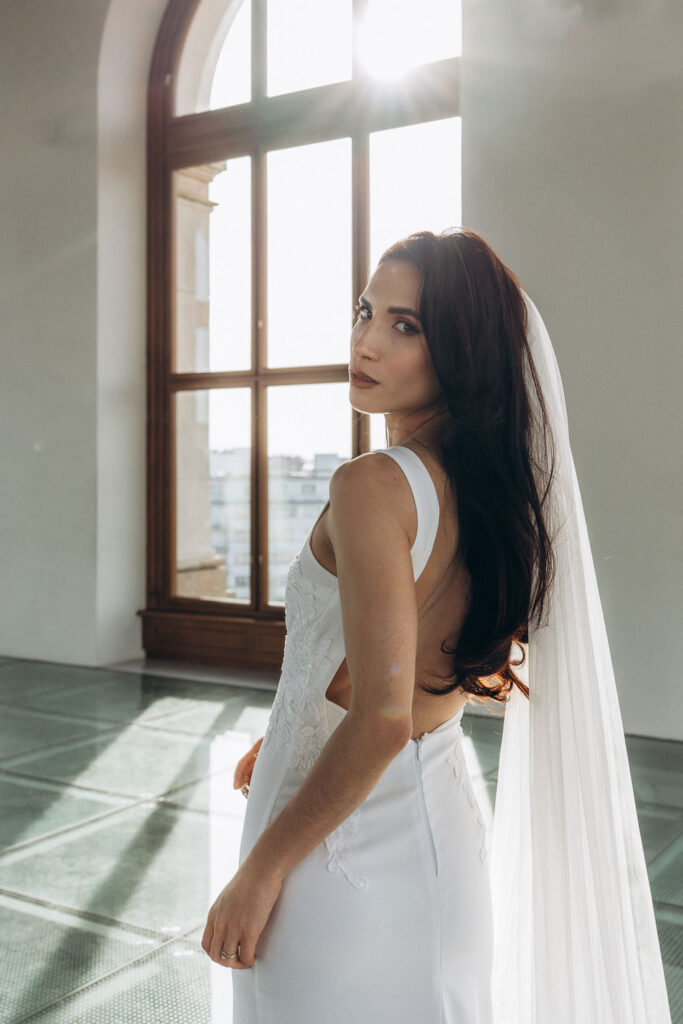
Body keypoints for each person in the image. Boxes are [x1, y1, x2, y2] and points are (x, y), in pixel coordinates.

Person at [202, 228, 671, 1023]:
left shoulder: (371, 485)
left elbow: (383, 717)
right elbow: (396, 667)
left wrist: (257, 874)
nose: (365, 341)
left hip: (333, 866)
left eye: (404, 326)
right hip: (439, 832)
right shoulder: (484, 490)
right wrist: (288, 732)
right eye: (364, 312)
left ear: (459, 349)